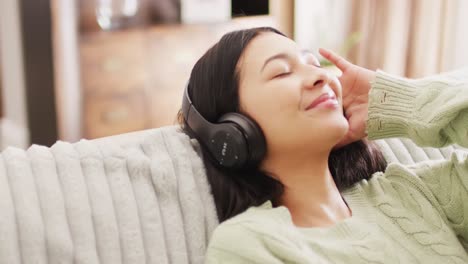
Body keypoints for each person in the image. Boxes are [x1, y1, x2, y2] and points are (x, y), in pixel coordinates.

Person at [178, 27, 468, 263]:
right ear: (231, 132)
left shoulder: (412, 192)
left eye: (314, 64)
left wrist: (398, 102)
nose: (322, 76)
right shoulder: (249, 245)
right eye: (281, 72)